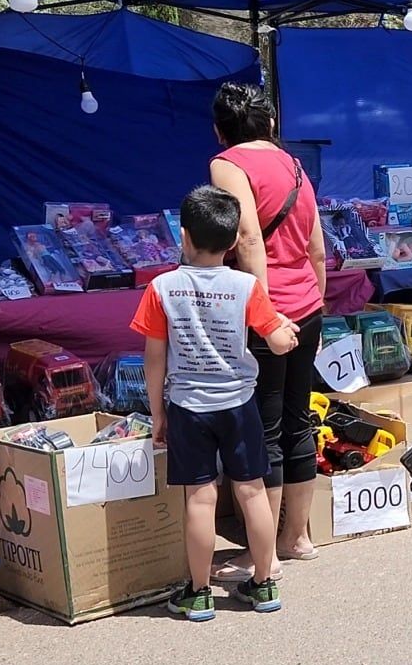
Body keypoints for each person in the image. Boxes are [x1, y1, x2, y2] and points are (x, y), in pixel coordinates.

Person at [132, 185, 301, 621]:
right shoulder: (246, 286)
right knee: (252, 491)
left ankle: (200, 591)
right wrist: (287, 331)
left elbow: (154, 359)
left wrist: (158, 413)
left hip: (188, 406)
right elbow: (278, 342)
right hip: (239, 402)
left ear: (183, 236)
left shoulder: (161, 287)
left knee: (200, 499)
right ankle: (263, 583)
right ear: (231, 243)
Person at [207, 82, 327, 580]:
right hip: (308, 305)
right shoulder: (294, 165)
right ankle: (297, 536)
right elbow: (317, 247)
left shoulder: (226, 165)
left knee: (266, 429)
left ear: (220, 129)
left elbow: (249, 236)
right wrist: (312, 303)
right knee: (299, 420)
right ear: (270, 123)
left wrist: (265, 311)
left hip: (269, 311)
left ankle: (266, 554)